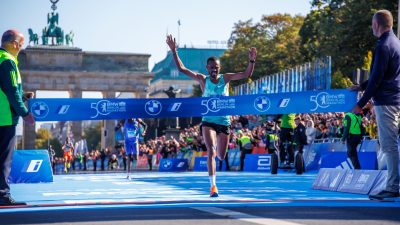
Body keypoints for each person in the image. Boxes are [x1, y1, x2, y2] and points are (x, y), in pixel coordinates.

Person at [166, 34, 257, 197]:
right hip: (208, 121)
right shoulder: (202, 80)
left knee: (221, 156)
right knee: (211, 151)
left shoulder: (226, 78)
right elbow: (182, 69)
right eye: (211, 67)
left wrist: (252, 61)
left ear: (219, 68)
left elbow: (246, 75)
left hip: (224, 122)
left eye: (216, 67)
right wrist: (174, 51)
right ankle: (213, 186)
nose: (214, 69)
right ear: (207, 68)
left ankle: (219, 162)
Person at [351, 10, 400, 200]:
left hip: (387, 102)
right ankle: (394, 184)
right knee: (392, 145)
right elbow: (382, 75)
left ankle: (393, 187)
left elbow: (377, 79)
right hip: (395, 99)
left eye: (372, 23)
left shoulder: (383, 45)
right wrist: (362, 85)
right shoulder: (395, 42)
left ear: (376, 25)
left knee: (389, 146)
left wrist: (360, 103)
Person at [0, 29, 35, 206]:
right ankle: (3, 195)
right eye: (21, 45)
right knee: (4, 159)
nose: (21, 49)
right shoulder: (8, 61)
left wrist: (23, 95)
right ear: (14, 44)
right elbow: (12, 91)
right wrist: (25, 113)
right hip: (4, 118)